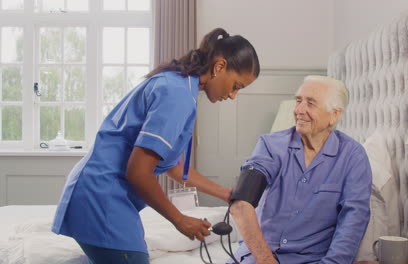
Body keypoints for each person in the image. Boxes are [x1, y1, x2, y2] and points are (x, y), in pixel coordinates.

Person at [51, 27, 260, 264]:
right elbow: (138, 172)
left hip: (98, 190)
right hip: (103, 195)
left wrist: (225, 194)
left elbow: (173, 167)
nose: (233, 95)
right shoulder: (178, 95)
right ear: (219, 67)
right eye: (236, 86)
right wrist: (180, 220)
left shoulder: (180, 86)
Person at [227, 76, 372, 264]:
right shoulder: (270, 145)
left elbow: (353, 222)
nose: (298, 110)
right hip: (260, 257)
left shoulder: (353, 157)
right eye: (298, 101)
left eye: (310, 103)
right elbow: (241, 204)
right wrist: (266, 260)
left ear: (334, 115)